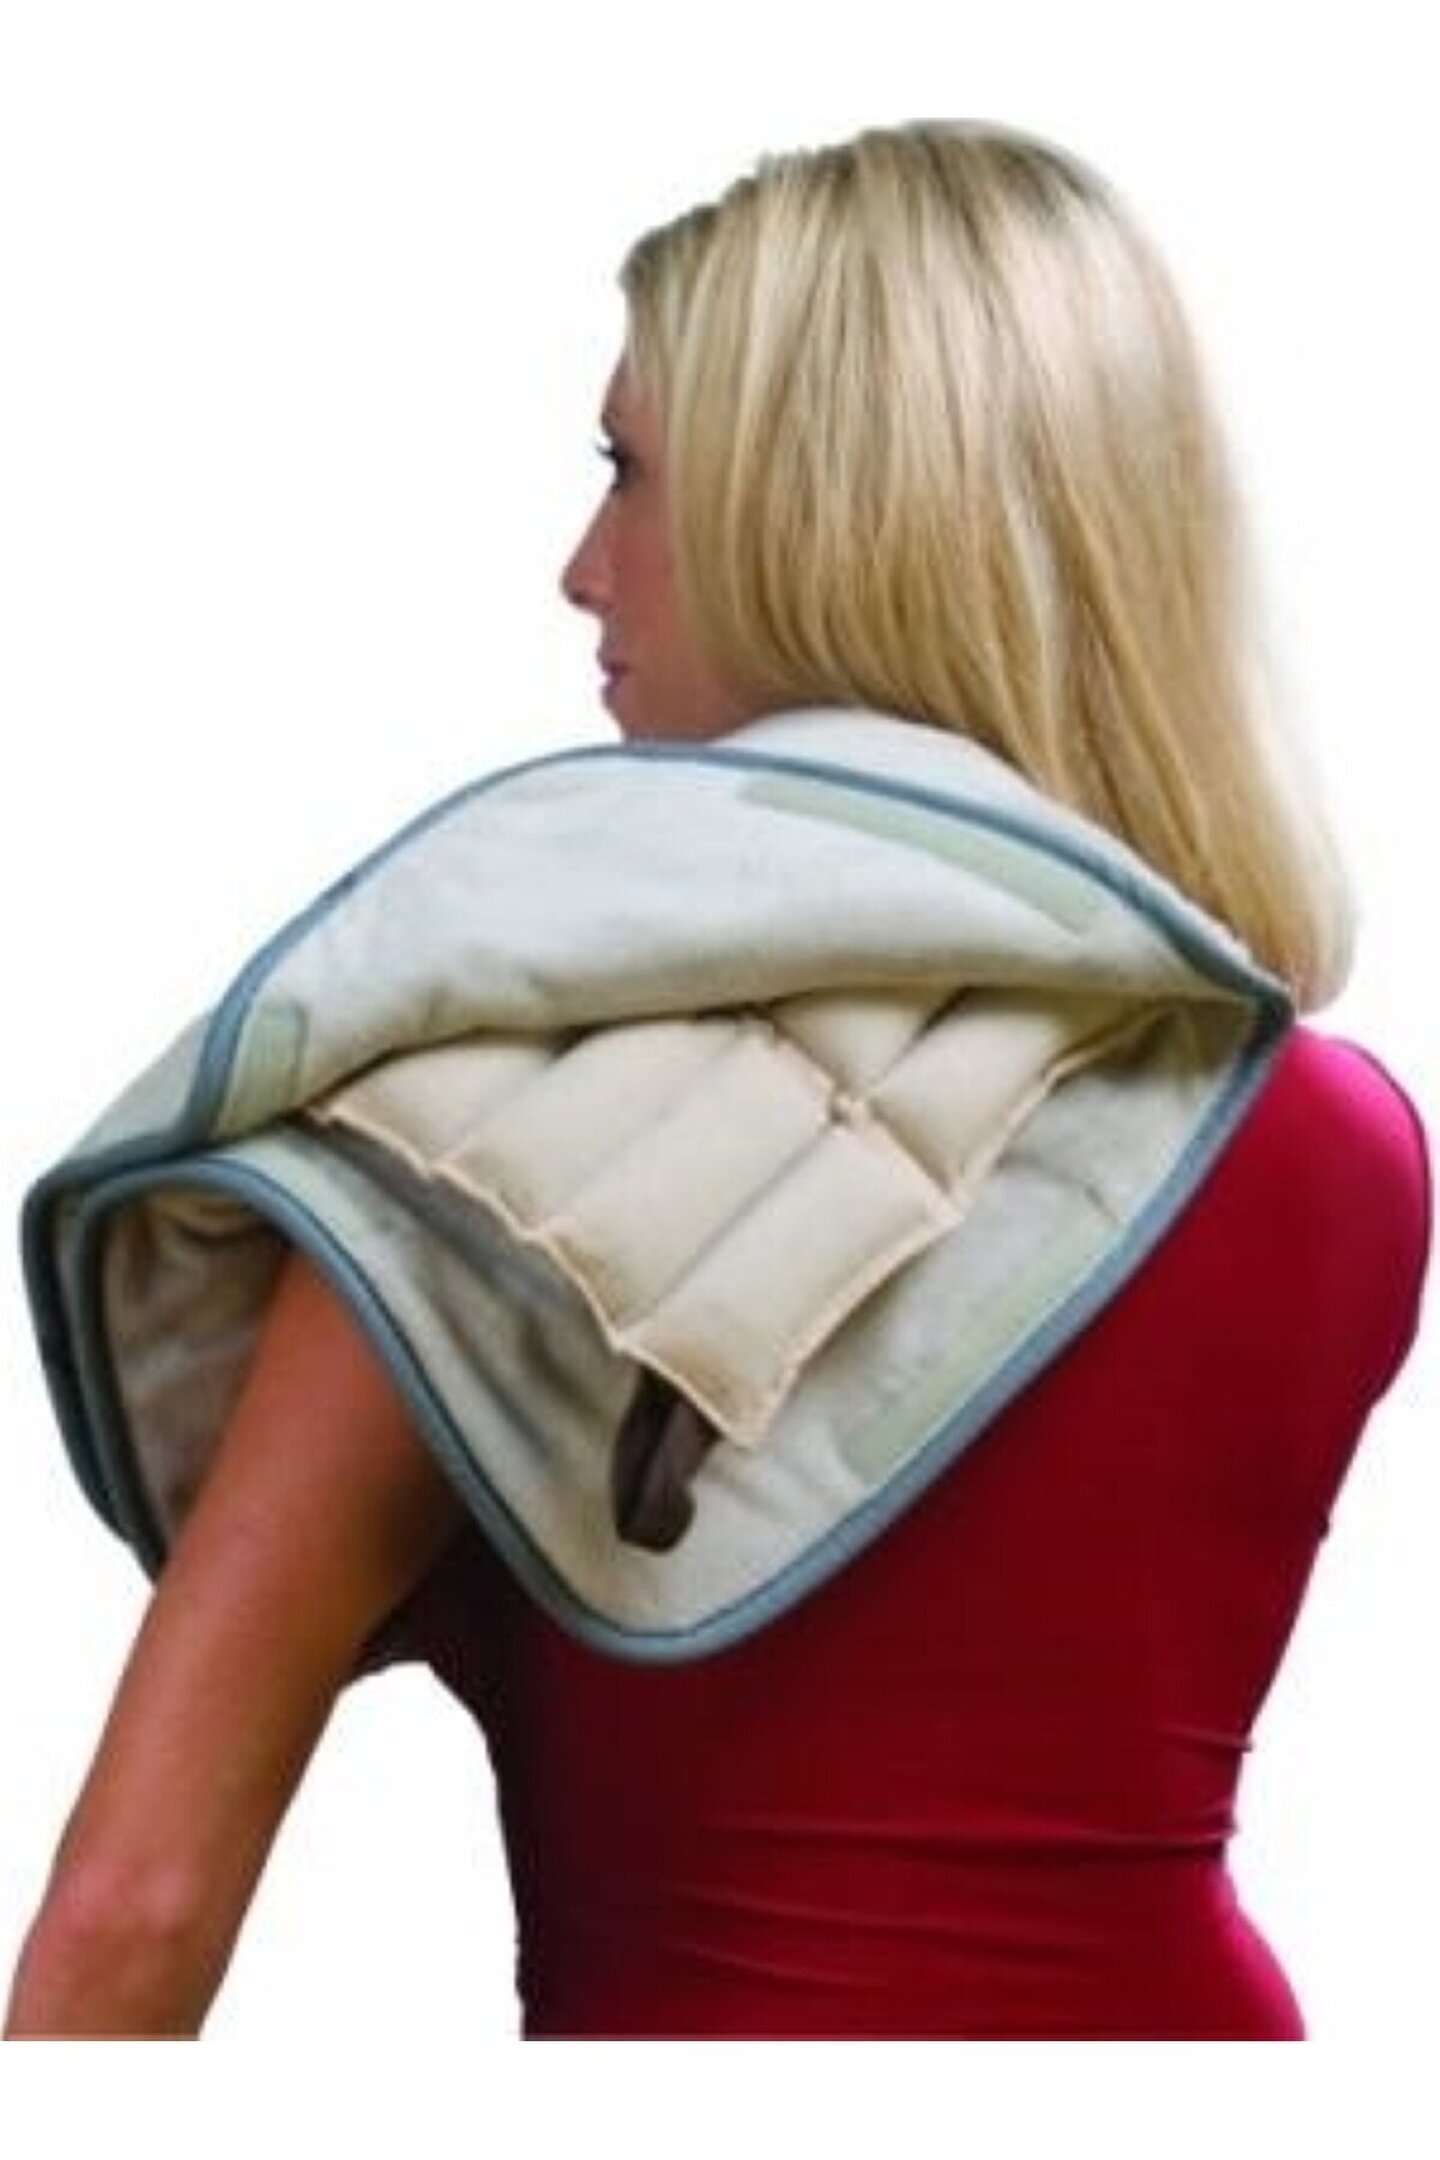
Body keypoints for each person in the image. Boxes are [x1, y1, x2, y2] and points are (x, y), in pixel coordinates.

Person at [5, 120, 1428, 2040]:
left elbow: (133, 1918)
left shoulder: (476, 1149)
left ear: (817, 510)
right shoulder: (1345, 1147)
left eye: (629, 471)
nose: (580, 569)